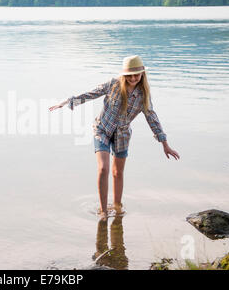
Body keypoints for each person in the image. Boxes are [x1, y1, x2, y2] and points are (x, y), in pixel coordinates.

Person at [49, 55, 180, 220]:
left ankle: (117, 209)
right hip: (102, 130)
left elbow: (152, 118)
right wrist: (68, 101)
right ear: (124, 75)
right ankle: (103, 211)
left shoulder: (143, 95)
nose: (133, 78)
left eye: (137, 75)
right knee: (103, 168)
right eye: (129, 75)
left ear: (142, 75)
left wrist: (165, 144)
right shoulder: (113, 84)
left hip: (122, 136)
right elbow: (92, 94)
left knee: (118, 172)